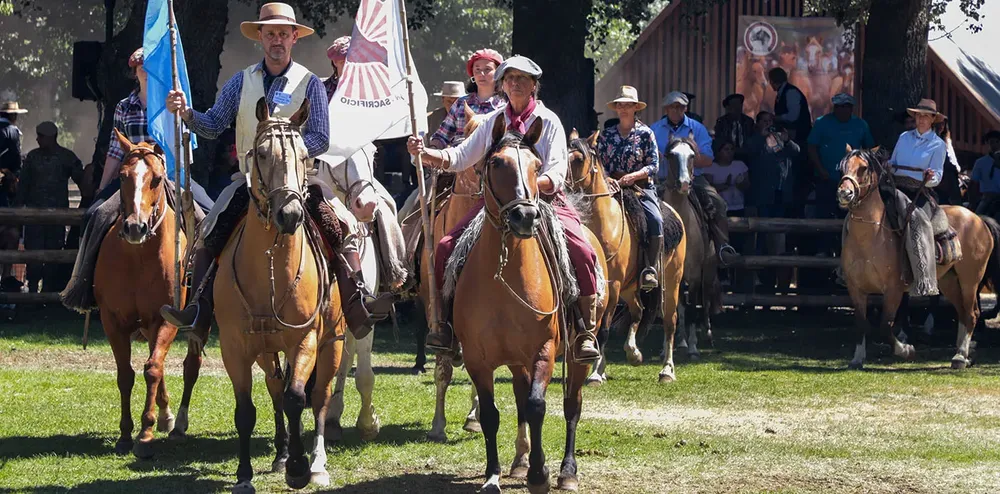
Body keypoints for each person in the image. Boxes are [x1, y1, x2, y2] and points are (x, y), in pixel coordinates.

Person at [161, 2, 391, 339]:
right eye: (271, 34)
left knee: (342, 225)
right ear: (261, 38)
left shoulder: (310, 84)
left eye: (284, 34)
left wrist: (291, 152)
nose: (277, 40)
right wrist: (186, 113)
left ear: (294, 37)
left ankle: (358, 305)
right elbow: (212, 125)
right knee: (210, 230)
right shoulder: (240, 82)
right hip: (250, 180)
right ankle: (198, 310)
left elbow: (321, 137)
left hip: (301, 181)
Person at [406, 55, 602, 363]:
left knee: (582, 250)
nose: (515, 84)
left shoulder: (548, 121)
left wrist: (537, 181)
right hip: (497, 206)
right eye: (509, 79)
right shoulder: (493, 121)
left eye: (522, 79)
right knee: (445, 247)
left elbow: (558, 167)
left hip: (544, 201)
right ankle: (444, 326)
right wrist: (426, 153)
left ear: (534, 85)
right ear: (502, 85)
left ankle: (583, 329)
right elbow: (461, 156)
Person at [95, 47, 214, 209]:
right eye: (142, 69)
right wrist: (102, 187)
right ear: (134, 73)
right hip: (133, 174)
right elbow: (115, 151)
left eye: (153, 69)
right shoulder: (123, 107)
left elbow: (183, 144)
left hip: (169, 174)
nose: (147, 73)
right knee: (93, 213)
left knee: (209, 211)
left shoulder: (174, 105)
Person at [651, 90, 734, 261]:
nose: (676, 110)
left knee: (718, 203)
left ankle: (722, 246)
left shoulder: (697, 128)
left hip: (695, 178)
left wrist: (687, 158)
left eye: (680, 107)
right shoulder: (654, 129)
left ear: (686, 108)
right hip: (662, 180)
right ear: (666, 109)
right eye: (673, 107)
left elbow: (709, 159)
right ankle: (644, 253)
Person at [595, 85, 663, 290]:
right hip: (612, 185)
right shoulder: (605, 135)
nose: (624, 108)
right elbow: (598, 163)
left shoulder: (646, 133)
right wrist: (607, 179)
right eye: (620, 105)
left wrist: (633, 176)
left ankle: (650, 268)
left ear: (636, 108)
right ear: (616, 108)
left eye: (628, 105)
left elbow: (654, 165)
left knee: (656, 219)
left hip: (640, 187)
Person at [888, 99, 948, 297]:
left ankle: (924, 279)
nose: (921, 119)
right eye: (919, 115)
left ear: (932, 120)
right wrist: (888, 166)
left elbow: (938, 175)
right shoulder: (904, 137)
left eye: (926, 116)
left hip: (920, 191)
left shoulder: (938, 145)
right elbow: (894, 162)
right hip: (896, 187)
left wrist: (929, 177)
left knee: (916, 222)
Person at [17, 121, 84, 292]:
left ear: (50, 138)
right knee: (34, 255)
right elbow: (23, 186)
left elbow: (82, 181)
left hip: (57, 217)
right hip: (34, 217)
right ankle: (32, 294)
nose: (38, 139)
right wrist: (18, 211)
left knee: (54, 254)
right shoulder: (32, 157)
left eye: (41, 136)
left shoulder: (67, 157)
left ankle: (49, 293)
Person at [743, 114, 800, 293]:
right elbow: (747, 151)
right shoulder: (755, 141)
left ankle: (781, 282)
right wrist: (762, 135)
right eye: (764, 122)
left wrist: (787, 140)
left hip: (781, 195)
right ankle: (761, 278)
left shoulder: (781, 142)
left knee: (780, 238)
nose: (769, 125)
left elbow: (796, 151)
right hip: (763, 196)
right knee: (762, 237)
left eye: (771, 122)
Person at [807, 93, 874, 223]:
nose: (842, 109)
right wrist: (820, 169)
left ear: (851, 108)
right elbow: (811, 147)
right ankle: (824, 243)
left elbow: (869, 150)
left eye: (846, 106)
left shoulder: (861, 125)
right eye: (839, 106)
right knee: (824, 216)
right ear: (834, 108)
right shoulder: (822, 122)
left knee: (850, 218)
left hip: (853, 182)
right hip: (827, 178)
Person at [429, 48, 504, 149]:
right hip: (459, 161)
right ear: (473, 73)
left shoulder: (505, 106)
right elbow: (442, 136)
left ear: (498, 73)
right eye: (477, 69)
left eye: (487, 69)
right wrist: (432, 149)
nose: (481, 74)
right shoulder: (461, 103)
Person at [768, 67, 812, 218]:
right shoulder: (783, 93)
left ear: (772, 82)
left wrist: (776, 118)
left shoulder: (791, 93)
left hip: (798, 140)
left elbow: (793, 116)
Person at [0, 101, 26, 209]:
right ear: (12, 115)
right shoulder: (12, 131)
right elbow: (15, 156)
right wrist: (15, 175)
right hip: (5, 177)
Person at [970, 130, 1000, 216]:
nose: (994, 145)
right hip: (988, 197)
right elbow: (973, 183)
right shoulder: (980, 162)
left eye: (997, 142)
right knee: (977, 219)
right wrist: (972, 201)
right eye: (991, 142)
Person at [935, 117, 962, 206]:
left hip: (948, 169)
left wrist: (956, 167)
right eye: (939, 123)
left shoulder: (946, 140)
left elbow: (952, 156)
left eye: (943, 124)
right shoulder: (933, 139)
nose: (941, 126)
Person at [324, 36, 350, 101]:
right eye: (344, 62)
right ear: (335, 62)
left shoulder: (369, 91)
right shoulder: (322, 90)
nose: (349, 67)